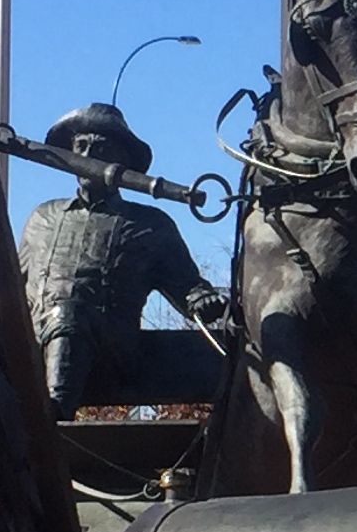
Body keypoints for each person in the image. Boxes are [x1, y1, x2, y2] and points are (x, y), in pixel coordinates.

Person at [15, 105, 230, 418]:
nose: (88, 155)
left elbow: (189, 289)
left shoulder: (150, 225)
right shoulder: (43, 216)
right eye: (80, 146)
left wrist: (204, 300)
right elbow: (14, 288)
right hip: (35, 344)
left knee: (68, 314)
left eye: (101, 148)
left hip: (110, 352)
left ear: (123, 161)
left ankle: (52, 418)